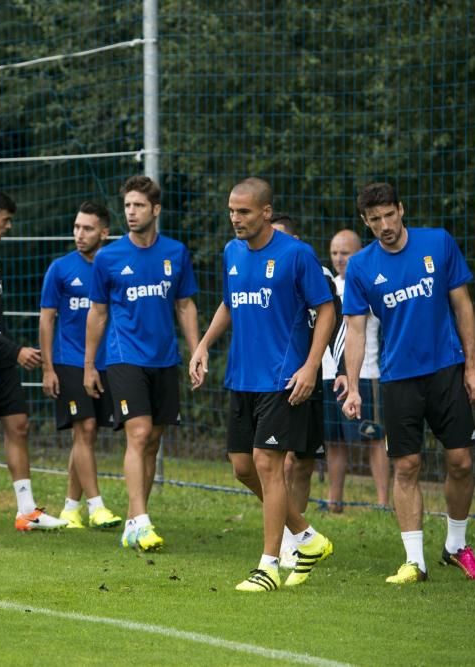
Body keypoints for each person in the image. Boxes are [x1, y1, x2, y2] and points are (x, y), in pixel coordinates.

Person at [189, 178, 334, 592]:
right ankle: (307, 537)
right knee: (242, 468)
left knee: (269, 464)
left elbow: (325, 310)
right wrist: (202, 345)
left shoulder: (297, 254)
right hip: (243, 376)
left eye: (245, 212)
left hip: (283, 376)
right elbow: (231, 301)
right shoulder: (232, 252)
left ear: (266, 212)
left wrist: (310, 367)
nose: (236, 219)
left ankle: (269, 565)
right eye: (232, 211)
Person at [342, 182, 475, 584]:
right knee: (406, 465)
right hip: (398, 379)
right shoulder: (360, 267)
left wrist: (472, 367)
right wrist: (353, 385)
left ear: (401, 210)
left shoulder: (437, 243)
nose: (385, 225)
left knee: (460, 460)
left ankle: (456, 545)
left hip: (447, 369)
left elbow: (463, 306)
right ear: (365, 221)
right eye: (375, 220)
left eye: (390, 215)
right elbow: (355, 331)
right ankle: (414, 561)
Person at [85, 175, 200, 551]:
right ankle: (141, 520)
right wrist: (89, 365)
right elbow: (98, 313)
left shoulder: (175, 252)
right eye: (127, 206)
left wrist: (197, 351)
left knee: (152, 440)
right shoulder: (109, 257)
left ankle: (136, 519)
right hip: (124, 357)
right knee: (138, 433)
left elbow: (184, 305)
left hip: (164, 359)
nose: (131, 213)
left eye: (138, 206)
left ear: (155, 210)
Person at [0, 187, 67, 531]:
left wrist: (7, 351)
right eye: (4, 221)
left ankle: (26, 511)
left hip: (0, 360)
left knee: (18, 425)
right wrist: (13, 349)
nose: (8, 227)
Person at [266, 213, 345, 567]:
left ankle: (296, 537)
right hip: (273, 379)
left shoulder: (318, 274)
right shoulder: (260, 270)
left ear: (295, 240)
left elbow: (337, 322)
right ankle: (285, 540)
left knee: (303, 462)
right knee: (275, 462)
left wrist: (337, 369)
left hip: (315, 379)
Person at [39, 202, 123, 530]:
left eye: (87, 228)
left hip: (108, 361)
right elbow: (47, 320)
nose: (79, 234)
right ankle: (97, 506)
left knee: (86, 435)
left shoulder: (114, 265)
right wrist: (48, 368)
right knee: (85, 429)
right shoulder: (60, 269)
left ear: (104, 232)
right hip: (69, 360)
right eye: (76, 227)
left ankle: (70, 508)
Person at [326, 228, 389, 511]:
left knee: (373, 438)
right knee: (334, 441)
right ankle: (333, 501)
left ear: (359, 253)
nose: (339, 259)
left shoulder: (370, 283)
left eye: (346, 253)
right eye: (335, 253)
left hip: (365, 374)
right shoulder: (326, 286)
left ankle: (382, 502)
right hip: (329, 375)